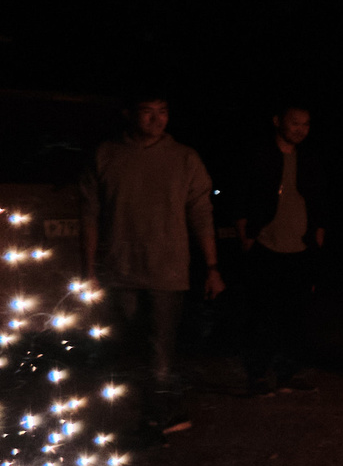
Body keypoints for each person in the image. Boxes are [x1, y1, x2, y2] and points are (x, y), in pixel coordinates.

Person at [79, 94, 224, 436]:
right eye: (148, 112)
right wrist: (88, 270)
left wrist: (212, 265)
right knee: (130, 344)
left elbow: (201, 214)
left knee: (160, 345)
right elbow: (89, 216)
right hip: (120, 267)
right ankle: (154, 409)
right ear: (129, 114)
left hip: (167, 268)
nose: (156, 120)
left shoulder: (184, 158)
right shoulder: (106, 154)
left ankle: (161, 414)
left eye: (163, 112)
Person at [227, 102, 325, 397]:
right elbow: (240, 192)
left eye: (306, 124)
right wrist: (246, 231)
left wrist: (318, 232)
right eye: (295, 122)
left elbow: (319, 198)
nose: (300, 129)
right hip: (265, 243)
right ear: (277, 121)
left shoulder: (309, 159)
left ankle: (286, 373)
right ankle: (257, 375)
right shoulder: (259, 155)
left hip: (300, 245)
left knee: (295, 314)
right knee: (261, 314)